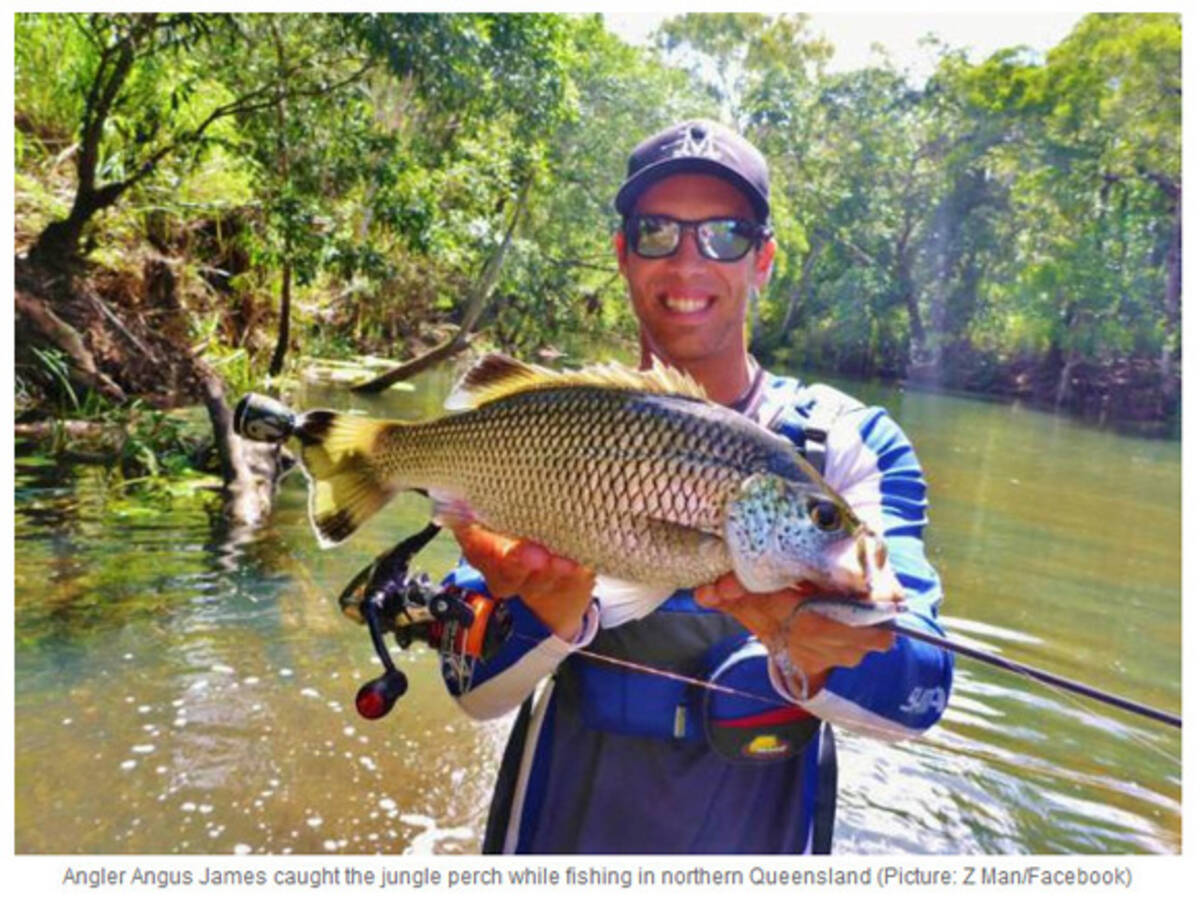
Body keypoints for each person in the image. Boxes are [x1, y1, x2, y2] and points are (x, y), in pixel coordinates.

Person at [438, 119, 954, 854]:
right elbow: (471, 689)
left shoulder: (850, 445)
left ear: (764, 259)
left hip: (760, 826)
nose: (687, 263)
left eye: (725, 235)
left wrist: (829, 643)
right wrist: (547, 615)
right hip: (564, 810)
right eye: (656, 232)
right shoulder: (552, 425)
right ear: (622, 254)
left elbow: (922, 691)